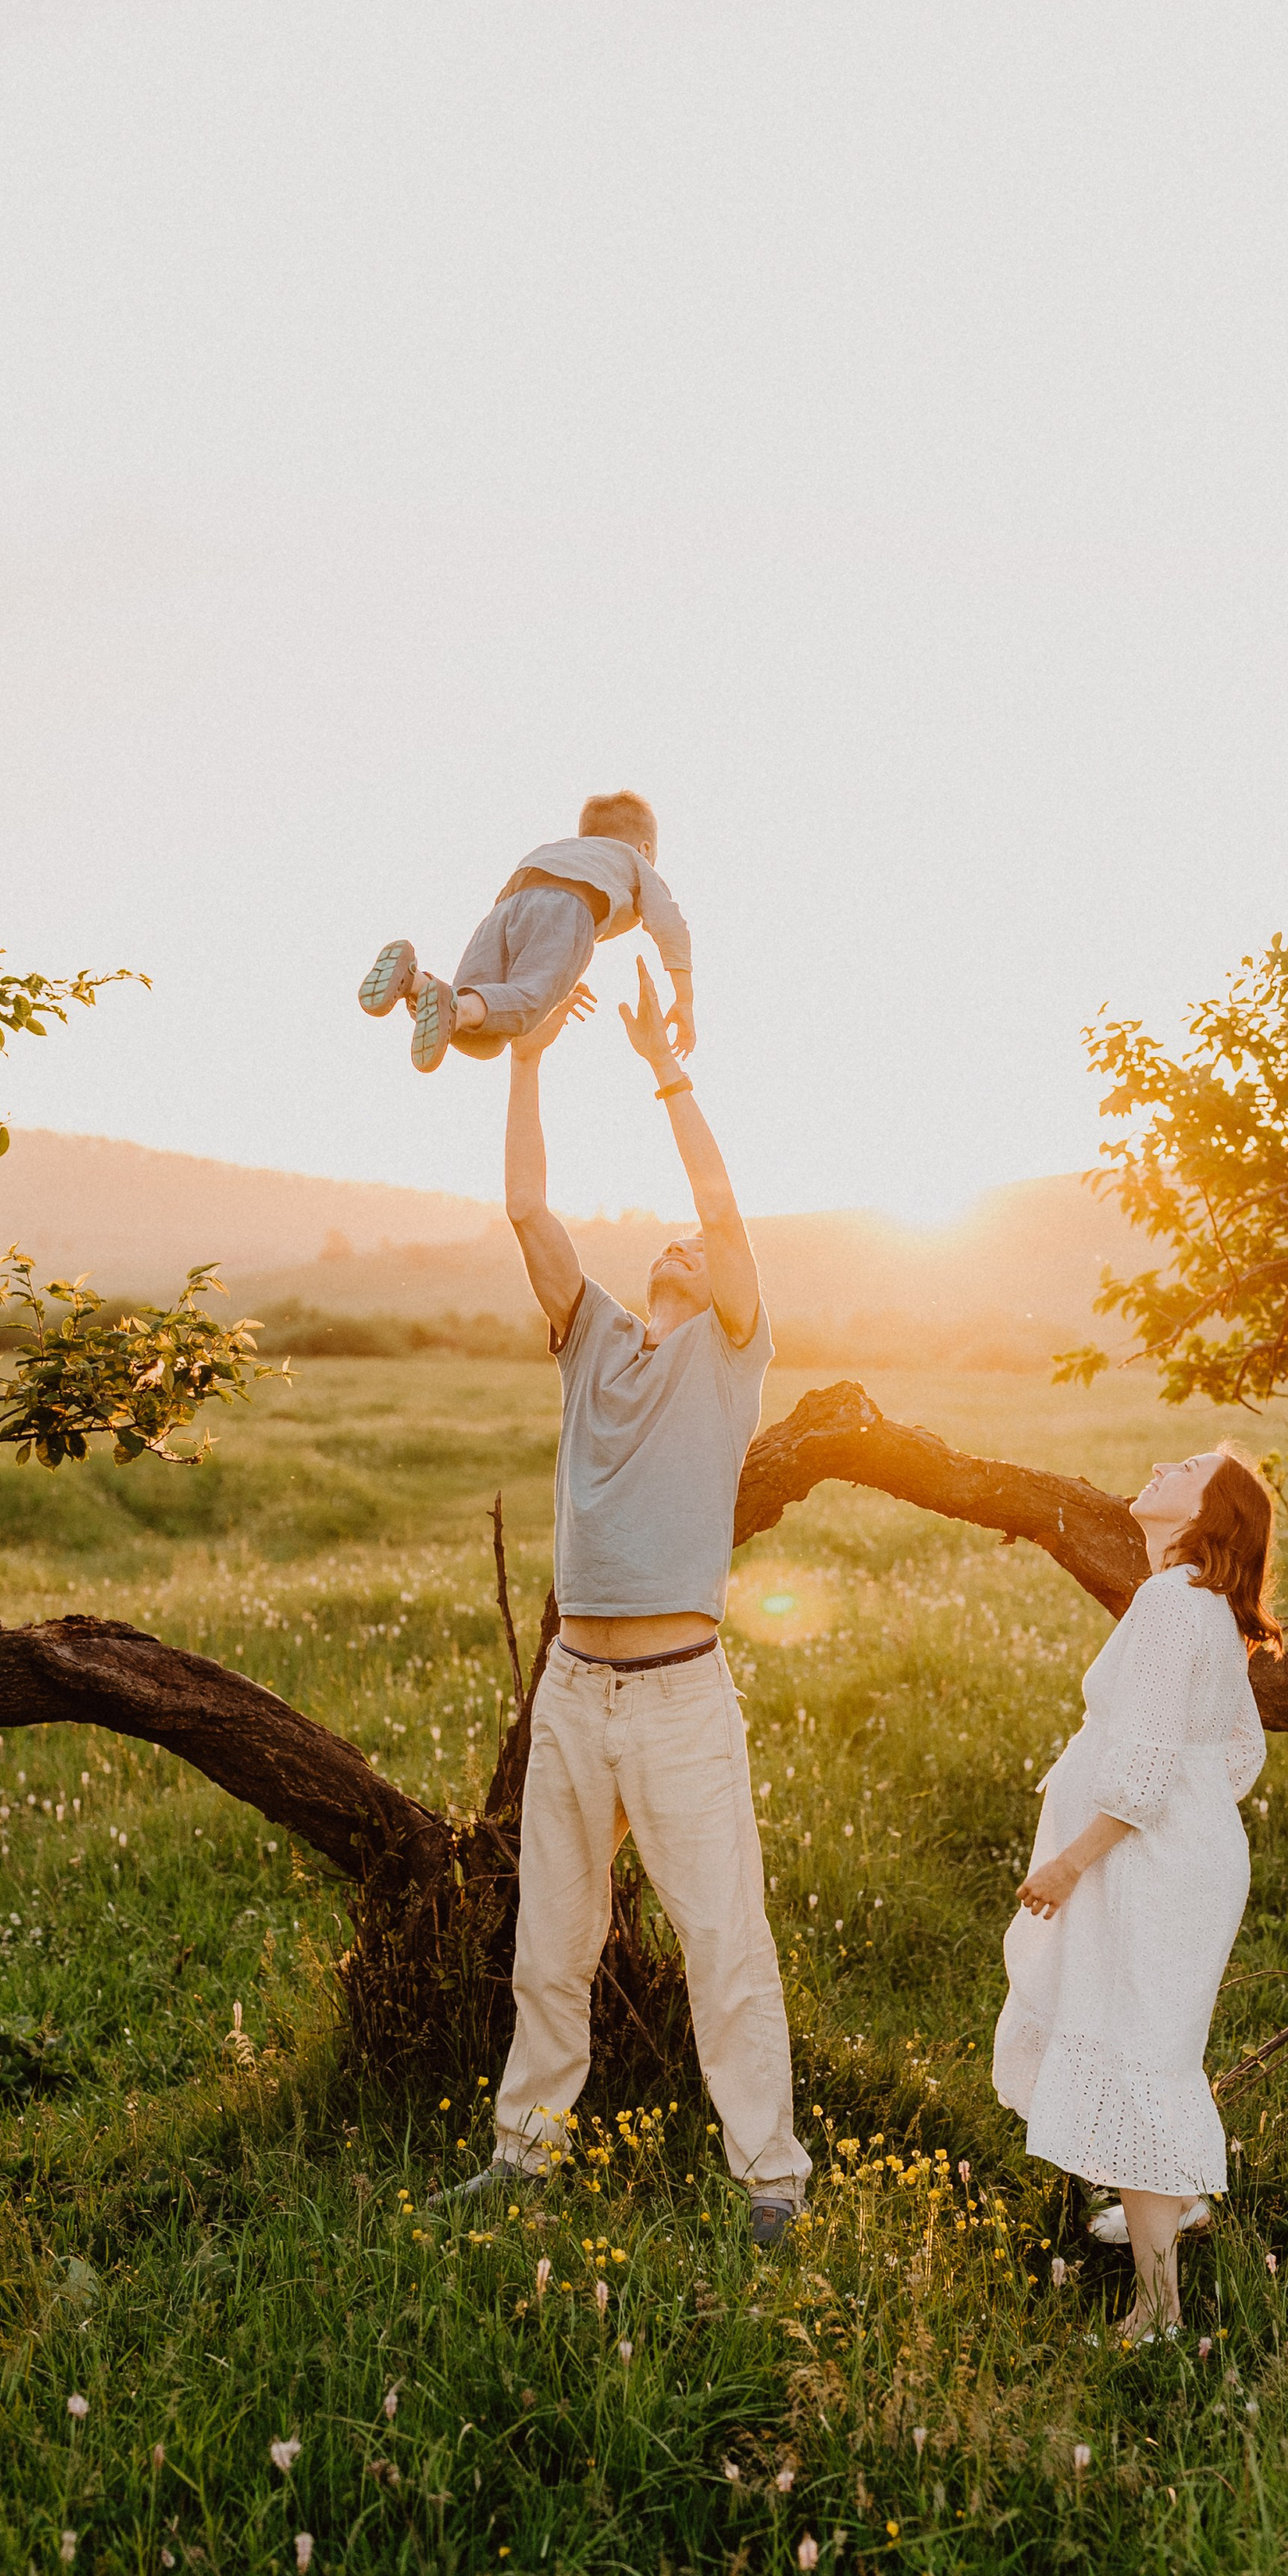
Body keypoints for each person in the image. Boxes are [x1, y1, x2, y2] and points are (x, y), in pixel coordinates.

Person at [450, 957, 810, 2247]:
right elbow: (526, 1205)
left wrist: (668, 1069)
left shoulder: (731, 1351)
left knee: (724, 1940)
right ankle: (523, 2153)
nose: (685, 1239)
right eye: (667, 1237)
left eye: (700, 1246)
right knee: (550, 1941)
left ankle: (771, 2173)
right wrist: (531, 1051)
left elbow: (724, 1207)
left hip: (677, 1697)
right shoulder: (594, 1335)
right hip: (575, 1691)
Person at [992, 1449, 1277, 2344]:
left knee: (1135, 2052)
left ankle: (1158, 2311)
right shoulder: (1206, 1609)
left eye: (1185, 1465)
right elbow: (1238, 1753)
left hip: (1144, 1863)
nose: (1160, 1465)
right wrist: (1192, 1821)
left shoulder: (1169, 1604)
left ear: (1210, 1510)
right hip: (1186, 1857)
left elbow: (1147, 1769)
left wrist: (1074, 1861)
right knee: (1145, 2038)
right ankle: (1173, 2201)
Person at [357, 786, 697, 1074]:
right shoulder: (634, 859)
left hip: (507, 909)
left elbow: (526, 917)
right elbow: (670, 925)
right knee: (529, 1003)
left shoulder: (561, 850)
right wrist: (684, 1000)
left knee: (483, 1039)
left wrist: (554, 967)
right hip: (571, 908)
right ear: (646, 848)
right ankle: (453, 1005)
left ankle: (415, 983)